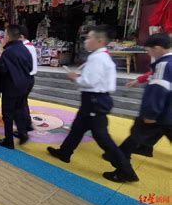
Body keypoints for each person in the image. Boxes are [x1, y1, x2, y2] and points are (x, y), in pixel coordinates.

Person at [46, 25, 138, 183]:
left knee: (102, 137)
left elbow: (90, 81)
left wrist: (74, 77)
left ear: (100, 41)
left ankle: (125, 170)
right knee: (77, 128)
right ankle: (64, 152)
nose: (85, 41)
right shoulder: (101, 56)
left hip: (95, 100)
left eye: (89, 38)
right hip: (95, 100)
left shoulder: (97, 58)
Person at [103, 33, 171, 182]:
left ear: (158, 48)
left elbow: (158, 90)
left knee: (134, 136)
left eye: (149, 51)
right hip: (166, 114)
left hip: (160, 113)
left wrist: (150, 114)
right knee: (139, 136)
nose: (148, 54)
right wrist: (139, 80)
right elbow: (153, 75)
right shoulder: (167, 62)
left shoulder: (164, 64)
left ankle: (123, 171)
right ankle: (143, 149)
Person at [0, 25, 35, 149]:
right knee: (19, 110)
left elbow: (2, 71)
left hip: (11, 87)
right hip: (25, 85)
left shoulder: (7, 52)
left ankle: (9, 141)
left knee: (7, 114)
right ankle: (23, 133)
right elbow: (29, 67)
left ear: (8, 37)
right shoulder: (25, 49)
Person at [15, 26, 37, 135]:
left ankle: (22, 130)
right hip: (29, 78)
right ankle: (27, 124)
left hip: (25, 78)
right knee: (23, 103)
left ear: (21, 37)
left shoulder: (24, 47)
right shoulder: (29, 46)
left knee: (18, 105)